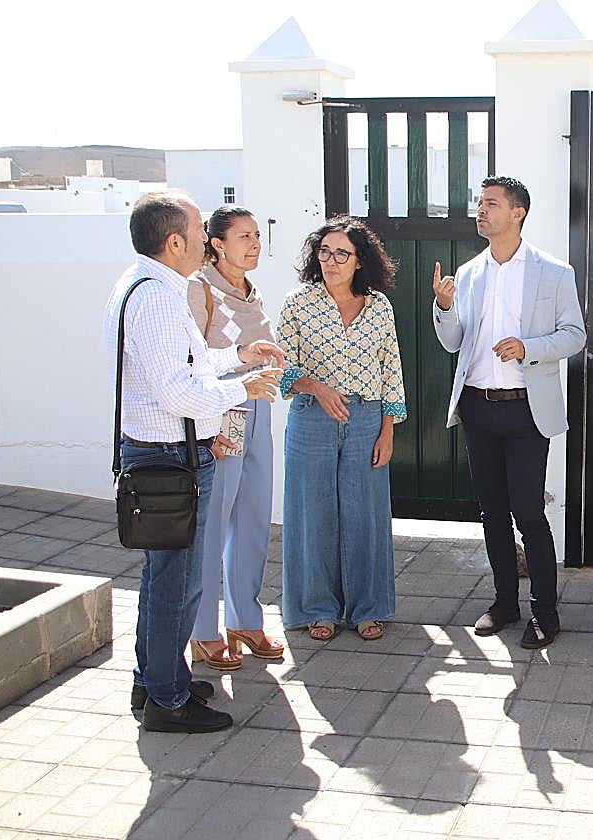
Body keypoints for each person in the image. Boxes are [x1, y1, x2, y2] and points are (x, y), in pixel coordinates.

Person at [103, 191, 283, 733]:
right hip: (170, 457)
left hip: (161, 453)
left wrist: (237, 357)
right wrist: (242, 389)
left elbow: (190, 361)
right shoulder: (159, 298)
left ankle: (155, 680)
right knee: (175, 585)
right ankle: (167, 699)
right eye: (201, 229)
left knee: (163, 580)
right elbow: (177, 391)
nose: (207, 238)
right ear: (174, 241)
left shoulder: (144, 284)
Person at [431, 175, 586, 650]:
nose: (481, 210)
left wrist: (528, 347)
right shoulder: (469, 273)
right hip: (477, 407)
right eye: (479, 202)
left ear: (518, 213)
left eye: (491, 203)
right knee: (492, 513)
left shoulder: (553, 272)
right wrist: (444, 307)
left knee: (529, 514)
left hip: (526, 411)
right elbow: (453, 342)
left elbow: (574, 335)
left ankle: (545, 613)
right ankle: (504, 603)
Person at [277, 216, 406, 642]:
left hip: (367, 419)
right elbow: (282, 367)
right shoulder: (298, 303)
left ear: (359, 260)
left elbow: (391, 370)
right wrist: (316, 387)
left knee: (365, 514)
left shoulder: (379, 307)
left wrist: (387, 430)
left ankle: (368, 608)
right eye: (324, 252)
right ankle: (318, 608)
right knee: (312, 514)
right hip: (312, 417)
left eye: (341, 254)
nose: (330, 261)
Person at [185, 205, 284, 671]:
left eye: (257, 235)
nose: (255, 244)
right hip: (222, 411)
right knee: (213, 525)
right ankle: (203, 630)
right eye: (244, 236)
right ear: (217, 243)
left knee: (252, 518)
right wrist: (208, 427)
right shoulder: (199, 288)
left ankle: (245, 620)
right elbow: (192, 361)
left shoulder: (252, 291)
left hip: (258, 408)